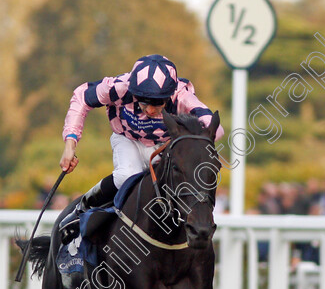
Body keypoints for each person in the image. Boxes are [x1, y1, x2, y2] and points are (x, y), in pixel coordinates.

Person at [59, 54, 224, 211]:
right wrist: (70, 145)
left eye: (158, 103)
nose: (150, 110)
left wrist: (183, 144)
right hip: (127, 139)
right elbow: (81, 97)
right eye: (144, 102)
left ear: (170, 94)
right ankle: (84, 204)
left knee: (177, 179)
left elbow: (215, 129)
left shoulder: (182, 96)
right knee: (127, 175)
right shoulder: (119, 87)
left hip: (163, 147)